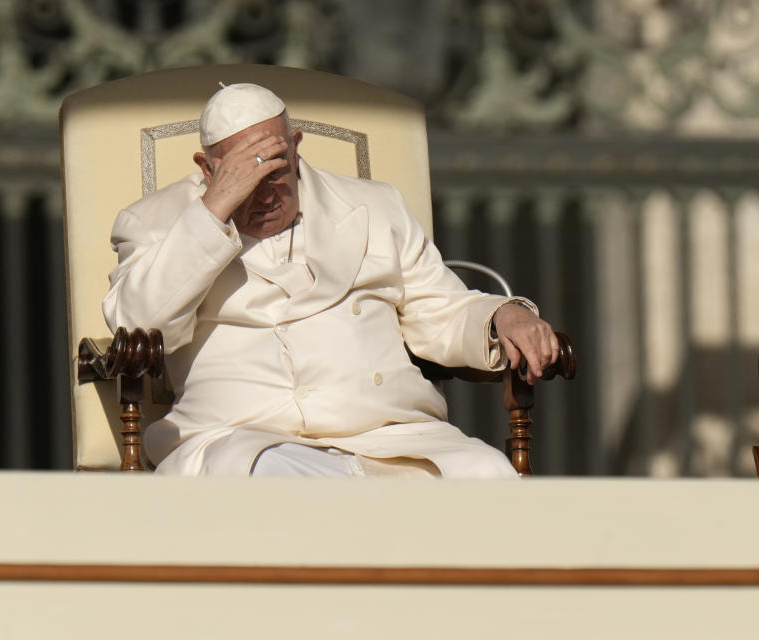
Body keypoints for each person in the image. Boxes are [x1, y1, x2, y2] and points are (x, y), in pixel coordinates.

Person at [103, 83, 559, 478]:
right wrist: (215, 209)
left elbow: (438, 310)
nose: (262, 193)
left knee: (487, 473)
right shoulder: (155, 223)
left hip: (388, 432)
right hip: (244, 439)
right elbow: (137, 323)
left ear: (297, 145)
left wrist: (502, 313)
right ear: (207, 169)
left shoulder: (378, 207)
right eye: (245, 175)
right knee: (273, 475)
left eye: (275, 169)